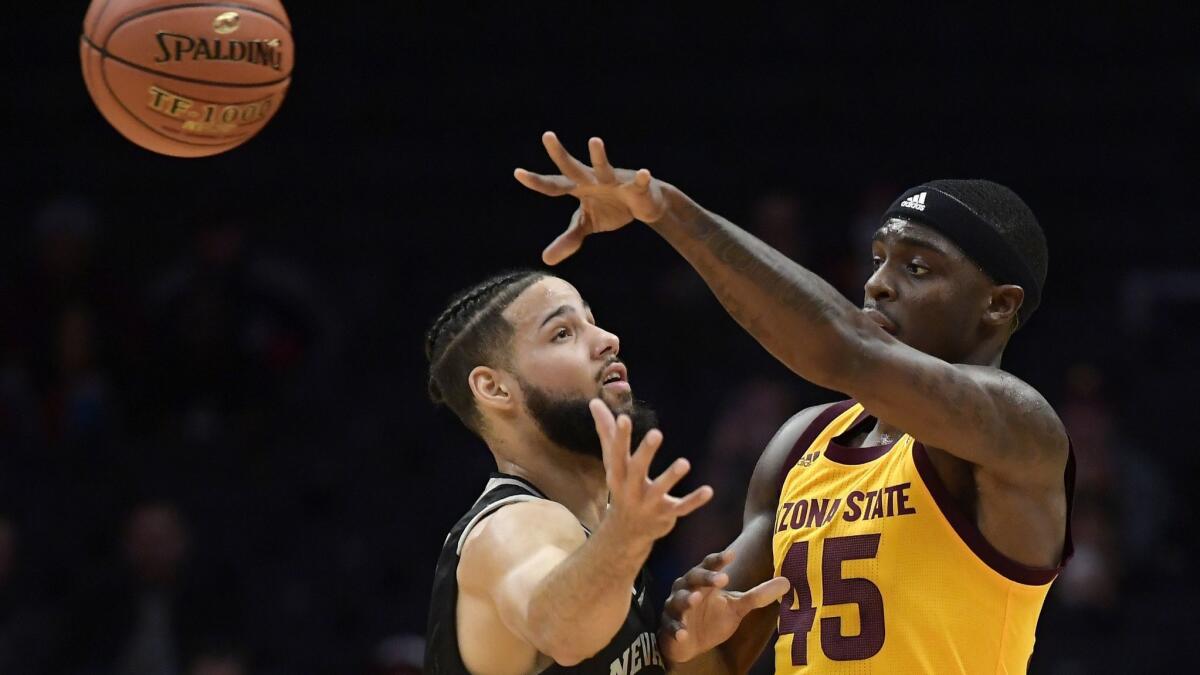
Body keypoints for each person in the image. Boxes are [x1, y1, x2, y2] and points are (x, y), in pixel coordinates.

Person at [515, 133, 1075, 673]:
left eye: (918, 268)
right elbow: (719, 664)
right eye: (877, 258)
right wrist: (691, 643)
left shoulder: (1019, 428)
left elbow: (846, 352)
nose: (877, 283)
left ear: (998, 306)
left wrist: (667, 211)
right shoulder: (802, 442)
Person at [422, 270, 788, 675]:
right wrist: (625, 536)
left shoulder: (597, 543)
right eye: (562, 333)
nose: (607, 339)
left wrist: (689, 656)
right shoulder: (507, 530)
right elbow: (560, 632)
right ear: (495, 388)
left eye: (591, 322)